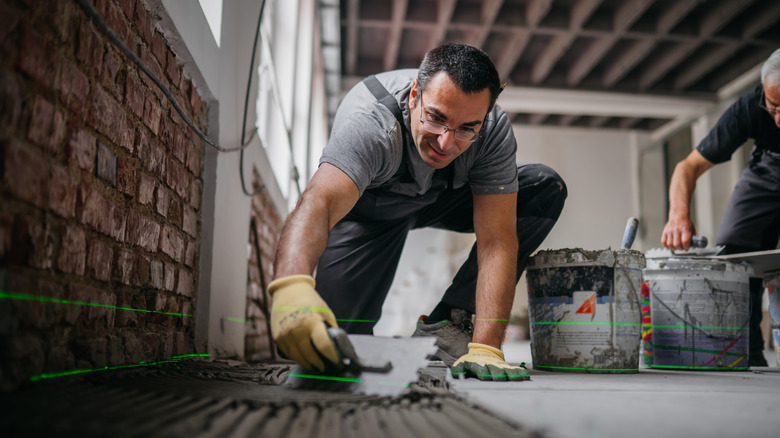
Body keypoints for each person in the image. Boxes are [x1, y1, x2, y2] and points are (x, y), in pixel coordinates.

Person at [268, 43, 567, 381]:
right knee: (326, 343)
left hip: (440, 200)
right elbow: (318, 202)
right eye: (436, 118)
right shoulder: (371, 122)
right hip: (368, 216)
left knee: (543, 187)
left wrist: (487, 347)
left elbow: (497, 239)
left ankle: (450, 325)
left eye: (466, 128)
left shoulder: (492, 131)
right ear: (414, 95)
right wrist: (291, 285)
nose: (445, 143)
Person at [661, 48, 780, 367]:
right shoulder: (747, 108)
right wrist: (678, 216)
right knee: (734, 252)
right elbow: (687, 168)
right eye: (774, 108)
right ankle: (749, 350)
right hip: (769, 169)